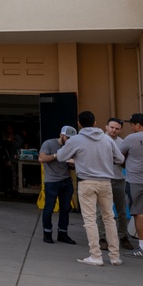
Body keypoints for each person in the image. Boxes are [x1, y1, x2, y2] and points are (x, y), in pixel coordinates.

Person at [57, 110, 125, 266]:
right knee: (109, 218)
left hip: (86, 182)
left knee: (90, 220)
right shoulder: (107, 140)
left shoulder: (76, 140)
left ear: (79, 124)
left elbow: (61, 156)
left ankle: (96, 255)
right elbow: (120, 159)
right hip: (106, 181)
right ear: (95, 123)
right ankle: (115, 256)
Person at [95, 118, 134, 251]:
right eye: (112, 127)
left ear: (121, 130)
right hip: (102, 179)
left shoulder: (122, 142)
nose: (114, 130)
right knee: (101, 210)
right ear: (106, 126)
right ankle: (102, 238)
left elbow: (125, 161)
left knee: (121, 210)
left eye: (117, 128)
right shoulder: (99, 140)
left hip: (118, 179)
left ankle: (123, 236)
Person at [38, 125, 77, 244]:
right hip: (52, 181)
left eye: (72, 138)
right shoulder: (49, 143)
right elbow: (41, 158)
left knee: (65, 209)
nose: (69, 140)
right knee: (49, 209)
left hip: (66, 181)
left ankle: (63, 233)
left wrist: (72, 163)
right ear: (61, 135)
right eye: (67, 137)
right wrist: (56, 155)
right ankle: (47, 232)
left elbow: (73, 166)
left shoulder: (72, 147)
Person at [119, 113, 143, 257]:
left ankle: (141, 246)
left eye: (132, 125)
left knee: (139, 213)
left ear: (138, 125)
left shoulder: (131, 138)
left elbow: (118, 156)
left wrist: (126, 163)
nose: (131, 127)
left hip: (135, 180)